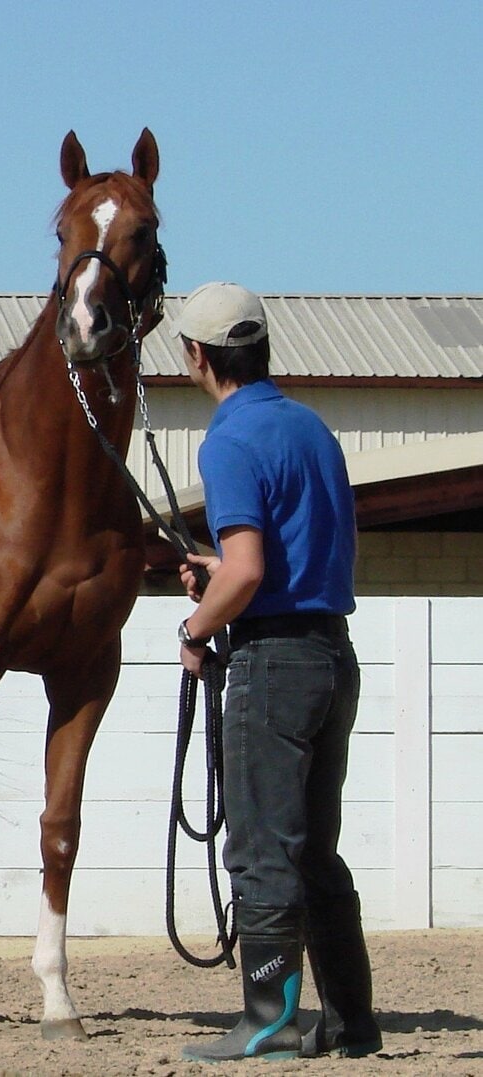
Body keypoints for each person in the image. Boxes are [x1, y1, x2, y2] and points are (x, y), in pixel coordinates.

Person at [173, 283, 382, 1062]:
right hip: (333, 651)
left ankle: (267, 1017)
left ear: (197, 355)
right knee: (314, 848)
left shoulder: (228, 440)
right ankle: (354, 1021)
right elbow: (288, 555)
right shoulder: (311, 428)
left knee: (261, 844)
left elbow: (250, 569)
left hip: (275, 662)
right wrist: (221, 572)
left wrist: (198, 625)